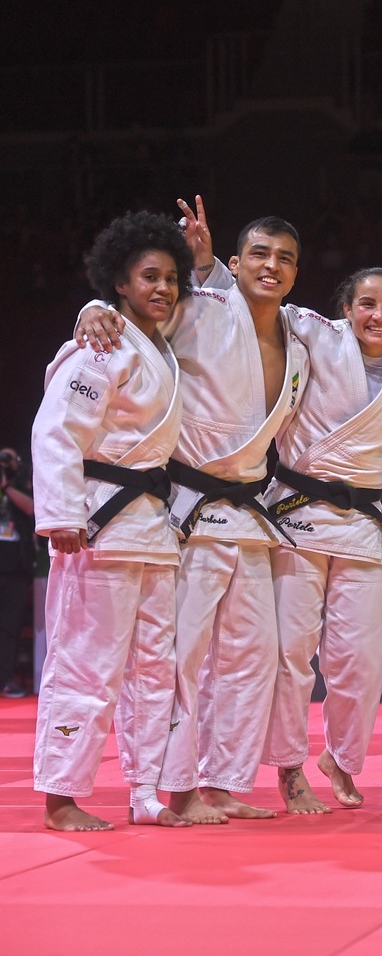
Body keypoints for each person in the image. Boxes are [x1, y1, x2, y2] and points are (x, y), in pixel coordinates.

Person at [76, 196, 310, 824]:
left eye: (285, 258)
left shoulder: (302, 336)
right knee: (176, 656)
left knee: (253, 655)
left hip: (250, 513)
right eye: (260, 254)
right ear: (236, 261)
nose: (272, 265)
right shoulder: (197, 307)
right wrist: (93, 309)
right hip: (186, 508)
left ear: (296, 271)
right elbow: (132, 317)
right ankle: (169, 787)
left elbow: (370, 330)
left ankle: (223, 782)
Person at [32, 211, 193, 831]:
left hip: (151, 527)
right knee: (86, 663)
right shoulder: (101, 347)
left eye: (171, 278)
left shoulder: (158, 348)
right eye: (149, 277)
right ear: (119, 284)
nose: (163, 288)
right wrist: (61, 513)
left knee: (155, 668)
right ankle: (61, 797)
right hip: (98, 523)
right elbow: (57, 431)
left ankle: (145, 791)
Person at [257, 267, 382, 813]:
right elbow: (246, 306)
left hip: (362, 522)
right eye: (367, 304)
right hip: (298, 514)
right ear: (347, 309)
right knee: (291, 652)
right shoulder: (315, 333)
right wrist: (95, 311)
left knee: (362, 659)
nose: (379, 316)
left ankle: (342, 758)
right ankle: (289, 766)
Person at [0, 447, 35, 699]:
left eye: (9, 458)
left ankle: (6, 679)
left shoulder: (25, 484)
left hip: (16, 568)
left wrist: (6, 487)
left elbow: (32, 509)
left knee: (9, 626)